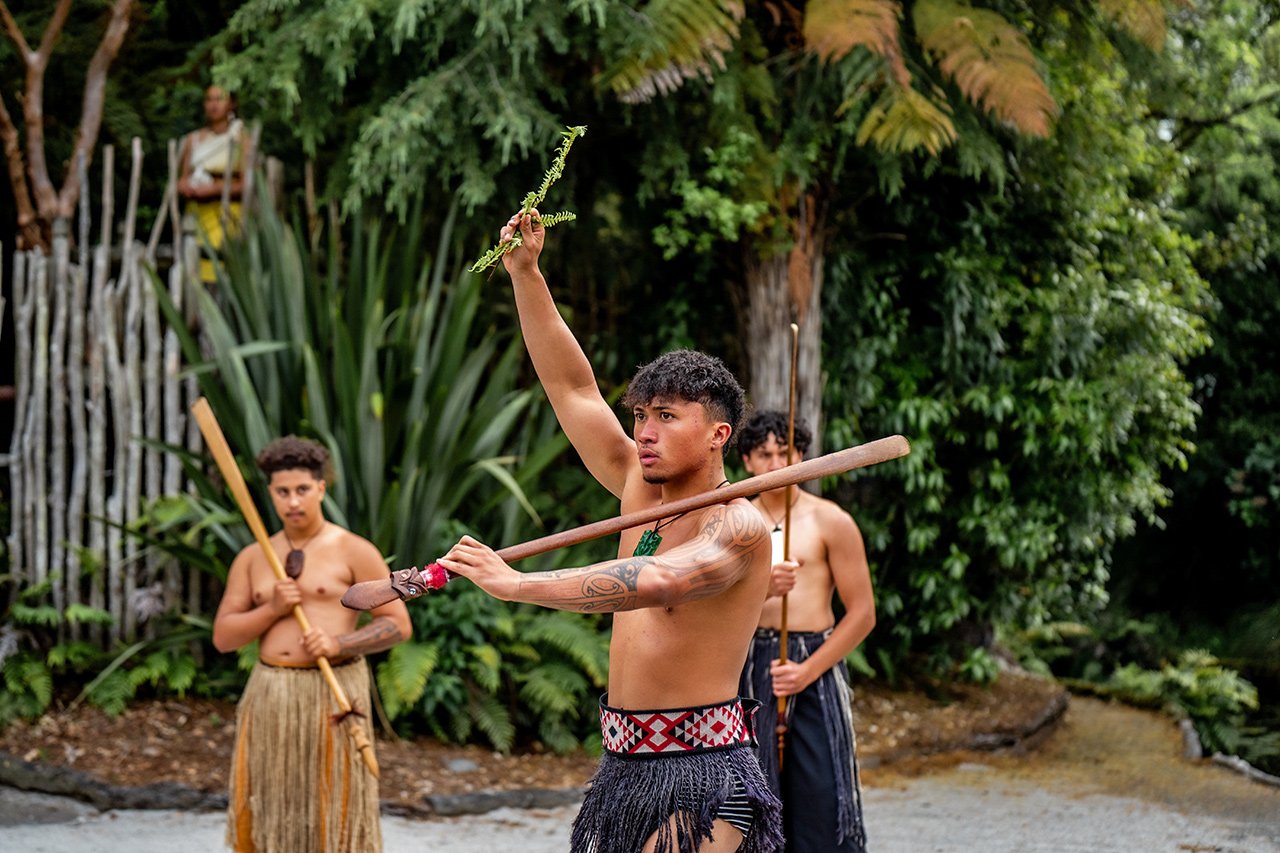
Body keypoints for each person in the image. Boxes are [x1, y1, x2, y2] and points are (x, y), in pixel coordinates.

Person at [437, 210, 783, 853]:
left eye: (666, 417)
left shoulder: (739, 526)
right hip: (624, 767)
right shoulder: (636, 485)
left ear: (718, 434)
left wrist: (518, 586)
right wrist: (526, 275)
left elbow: (655, 580)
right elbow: (572, 389)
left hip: (704, 774)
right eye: (642, 415)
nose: (645, 431)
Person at [212, 436, 412, 853]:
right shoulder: (253, 557)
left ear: (321, 488)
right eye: (282, 492)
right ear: (270, 494)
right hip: (271, 693)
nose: (292, 501)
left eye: (302, 489)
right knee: (267, 798)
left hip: (332, 694)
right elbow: (224, 637)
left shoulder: (354, 551)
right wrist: (272, 610)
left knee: (332, 798)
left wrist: (340, 642)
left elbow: (397, 625)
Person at [736, 411, 875, 852]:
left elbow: (863, 613)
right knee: (751, 794)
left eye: (787, 452)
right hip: (751, 661)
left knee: (821, 789)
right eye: (765, 454)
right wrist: (762, 592)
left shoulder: (830, 520)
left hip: (813, 661)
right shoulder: (734, 524)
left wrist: (807, 670)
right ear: (747, 462)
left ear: (803, 456)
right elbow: (709, 611)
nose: (778, 464)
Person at [178, 84, 251, 282]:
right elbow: (183, 179)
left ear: (232, 103)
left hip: (227, 216)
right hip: (197, 216)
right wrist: (186, 187)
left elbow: (247, 184)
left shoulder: (241, 139)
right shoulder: (193, 139)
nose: (213, 105)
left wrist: (215, 189)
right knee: (196, 274)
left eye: (219, 99)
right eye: (209, 99)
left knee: (224, 273)